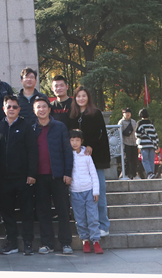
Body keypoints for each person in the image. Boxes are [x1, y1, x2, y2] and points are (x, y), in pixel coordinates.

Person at [0, 94, 37, 256]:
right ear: (4, 109)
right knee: (7, 212)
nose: (11, 109)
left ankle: (28, 242)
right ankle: (11, 242)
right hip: (4, 178)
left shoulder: (26, 126)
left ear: (19, 109)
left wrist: (32, 173)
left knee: (27, 211)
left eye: (14, 107)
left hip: (23, 177)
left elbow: (32, 151)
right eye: (8, 106)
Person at [31, 97, 73, 254]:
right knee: (43, 212)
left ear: (49, 109)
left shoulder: (59, 127)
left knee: (63, 210)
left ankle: (66, 243)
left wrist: (68, 172)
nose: (41, 110)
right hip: (39, 177)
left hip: (58, 175)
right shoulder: (32, 129)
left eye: (44, 107)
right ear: (34, 111)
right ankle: (47, 243)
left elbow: (67, 151)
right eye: (38, 107)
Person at [68, 87, 110, 237]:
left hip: (95, 158)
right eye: (78, 96)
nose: (81, 99)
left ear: (88, 97)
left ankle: (103, 225)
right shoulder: (72, 115)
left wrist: (91, 145)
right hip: (78, 161)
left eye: (84, 96)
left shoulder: (95, 113)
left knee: (99, 193)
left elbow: (101, 134)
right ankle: (86, 227)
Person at [69, 130, 103, 254]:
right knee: (80, 218)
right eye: (72, 140)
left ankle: (96, 240)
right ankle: (85, 240)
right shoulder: (68, 155)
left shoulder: (86, 155)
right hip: (75, 191)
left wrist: (96, 191)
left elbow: (93, 173)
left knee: (93, 217)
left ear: (82, 141)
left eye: (77, 140)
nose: (75, 143)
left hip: (89, 190)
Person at [136, 109, 159, 180]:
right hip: (152, 145)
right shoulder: (151, 123)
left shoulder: (140, 123)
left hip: (144, 145)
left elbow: (137, 134)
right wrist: (156, 144)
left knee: (145, 160)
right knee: (151, 160)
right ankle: (152, 174)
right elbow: (155, 135)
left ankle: (149, 173)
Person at [118, 108, 137, 180]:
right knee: (127, 160)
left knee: (134, 160)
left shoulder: (133, 122)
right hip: (126, 143)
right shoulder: (121, 122)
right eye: (126, 113)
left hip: (134, 143)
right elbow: (119, 133)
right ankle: (126, 174)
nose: (128, 114)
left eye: (129, 113)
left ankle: (134, 174)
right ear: (123, 114)